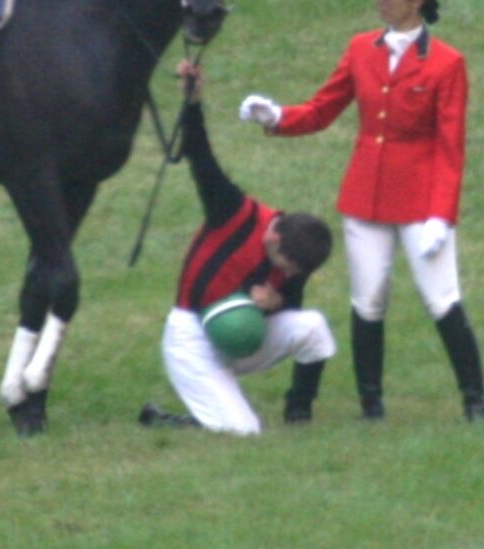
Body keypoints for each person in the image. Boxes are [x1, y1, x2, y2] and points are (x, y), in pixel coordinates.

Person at [240, 0, 484, 423]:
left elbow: (449, 146)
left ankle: (475, 400)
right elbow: (321, 110)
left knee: (442, 299)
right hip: (366, 197)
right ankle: (370, 404)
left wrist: (441, 214)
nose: (379, 1)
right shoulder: (360, 50)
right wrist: (276, 116)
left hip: (420, 202)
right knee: (368, 299)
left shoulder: (445, 64)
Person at [139, 58, 338, 435]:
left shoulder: (298, 255)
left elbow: (292, 303)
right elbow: (201, 158)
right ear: (275, 238)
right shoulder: (233, 211)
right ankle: (171, 423)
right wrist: (193, 101)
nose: (289, 275)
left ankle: (299, 413)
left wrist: (278, 303)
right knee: (244, 432)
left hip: (242, 335)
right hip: (191, 333)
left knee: (315, 328)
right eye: (287, 266)